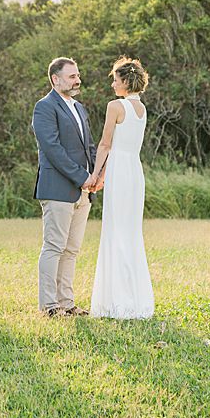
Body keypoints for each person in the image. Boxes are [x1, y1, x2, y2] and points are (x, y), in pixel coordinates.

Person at [88, 57, 155, 319]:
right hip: (133, 172)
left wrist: (95, 174)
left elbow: (105, 145)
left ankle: (116, 300)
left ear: (126, 81)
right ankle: (134, 298)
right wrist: (105, 174)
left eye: (115, 79)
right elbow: (123, 148)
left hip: (119, 171)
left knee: (115, 231)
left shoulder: (115, 106)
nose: (113, 84)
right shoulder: (142, 109)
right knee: (129, 232)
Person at [32, 57, 98, 317]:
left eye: (77, 75)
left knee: (72, 250)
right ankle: (49, 306)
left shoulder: (79, 108)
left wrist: (95, 175)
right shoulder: (45, 107)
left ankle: (67, 304)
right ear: (55, 79)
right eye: (71, 76)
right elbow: (53, 148)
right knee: (54, 247)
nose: (77, 80)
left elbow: (89, 146)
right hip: (58, 187)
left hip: (83, 189)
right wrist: (81, 176)